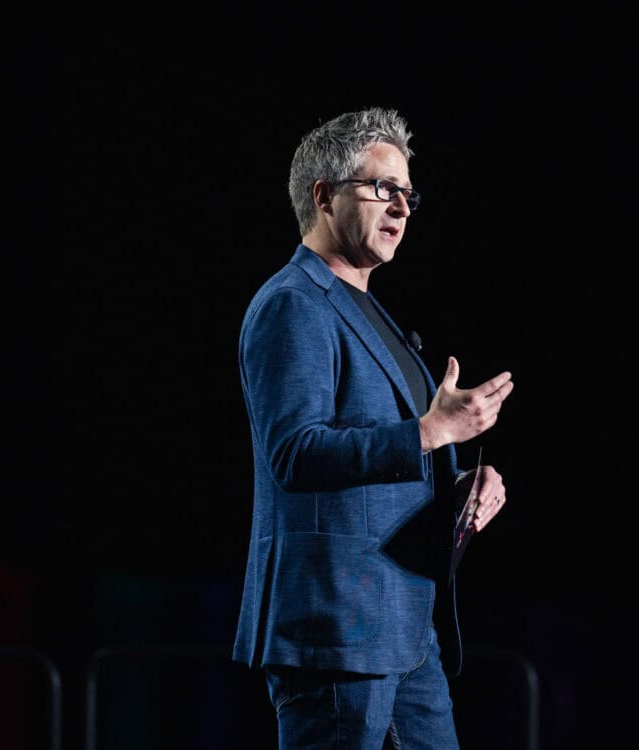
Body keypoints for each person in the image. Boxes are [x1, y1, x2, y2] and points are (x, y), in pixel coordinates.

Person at [232, 106, 514, 749]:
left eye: (408, 193)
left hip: (407, 631)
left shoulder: (370, 310)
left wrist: (461, 479)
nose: (402, 207)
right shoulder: (293, 304)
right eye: (382, 188)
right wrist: (429, 433)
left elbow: (393, 454)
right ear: (324, 196)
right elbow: (296, 453)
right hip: (338, 633)